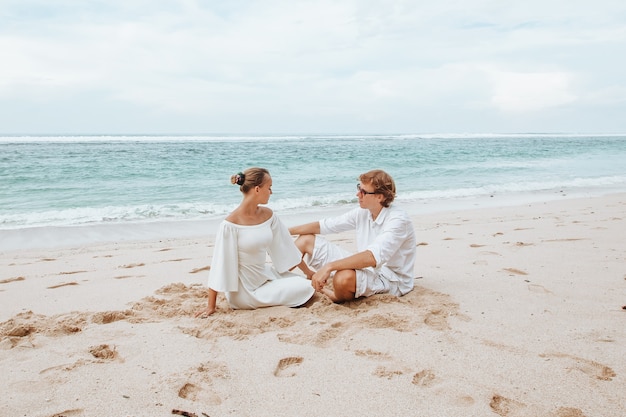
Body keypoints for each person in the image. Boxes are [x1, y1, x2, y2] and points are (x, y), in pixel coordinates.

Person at [195, 167, 315, 317]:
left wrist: (309, 272)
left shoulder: (268, 215)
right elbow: (220, 265)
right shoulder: (230, 225)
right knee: (305, 287)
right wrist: (210, 306)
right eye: (269, 188)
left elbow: (286, 247)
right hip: (245, 291)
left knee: (305, 282)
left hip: (264, 276)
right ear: (257, 189)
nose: (271, 192)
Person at [289, 169, 417, 303]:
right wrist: (286, 231)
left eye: (363, 192)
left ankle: (335, 296)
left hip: (391, 279)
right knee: (306, 240)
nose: (358, 194)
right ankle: (277, 279)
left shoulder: (398, 220)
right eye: (358, 188)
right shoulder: (363, 213)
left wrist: (329, 267)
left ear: (380, 197)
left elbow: (372, 257)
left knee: (342, 278)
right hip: (366, 269)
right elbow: (324, 226)